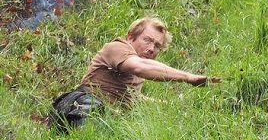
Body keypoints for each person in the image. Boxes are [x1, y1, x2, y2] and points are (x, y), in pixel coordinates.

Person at [50, 16, 221, 131]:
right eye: (147, 40)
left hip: (107, 116)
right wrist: (188, 78)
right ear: (131, 37)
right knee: (95, 112)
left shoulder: (138, 71)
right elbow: (140, 67)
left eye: (157, 46)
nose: (151, 49)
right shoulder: (117, 48)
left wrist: (173, 107)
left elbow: (132, 97)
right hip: (80, 106)